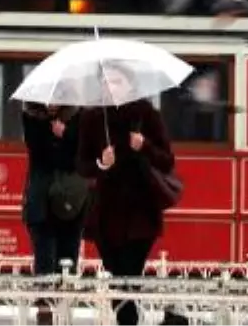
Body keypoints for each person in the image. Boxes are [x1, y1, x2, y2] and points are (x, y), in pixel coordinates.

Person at [77, 62, 186, 326]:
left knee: (129, 277)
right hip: (106, 213)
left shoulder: (146, 115)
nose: (110, 88)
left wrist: (144, 146)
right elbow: (81, 165)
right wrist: (102, 163)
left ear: (130, 85)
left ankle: (128, 322)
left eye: (116, 82)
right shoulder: (93, 118)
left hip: (140, 213)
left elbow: (166, 160)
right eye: (105, 83)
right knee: (116, 279)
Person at [21, 103, 84, 325]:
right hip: (42, 202)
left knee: (67, 262)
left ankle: (65, 314)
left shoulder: (77, 116)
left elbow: (78, 157)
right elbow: (42, 154)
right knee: (45, 263)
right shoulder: (31, 116)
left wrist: (65, 135)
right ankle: (45, 315)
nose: (51, 103)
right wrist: (56, 136)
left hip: (70, 202)